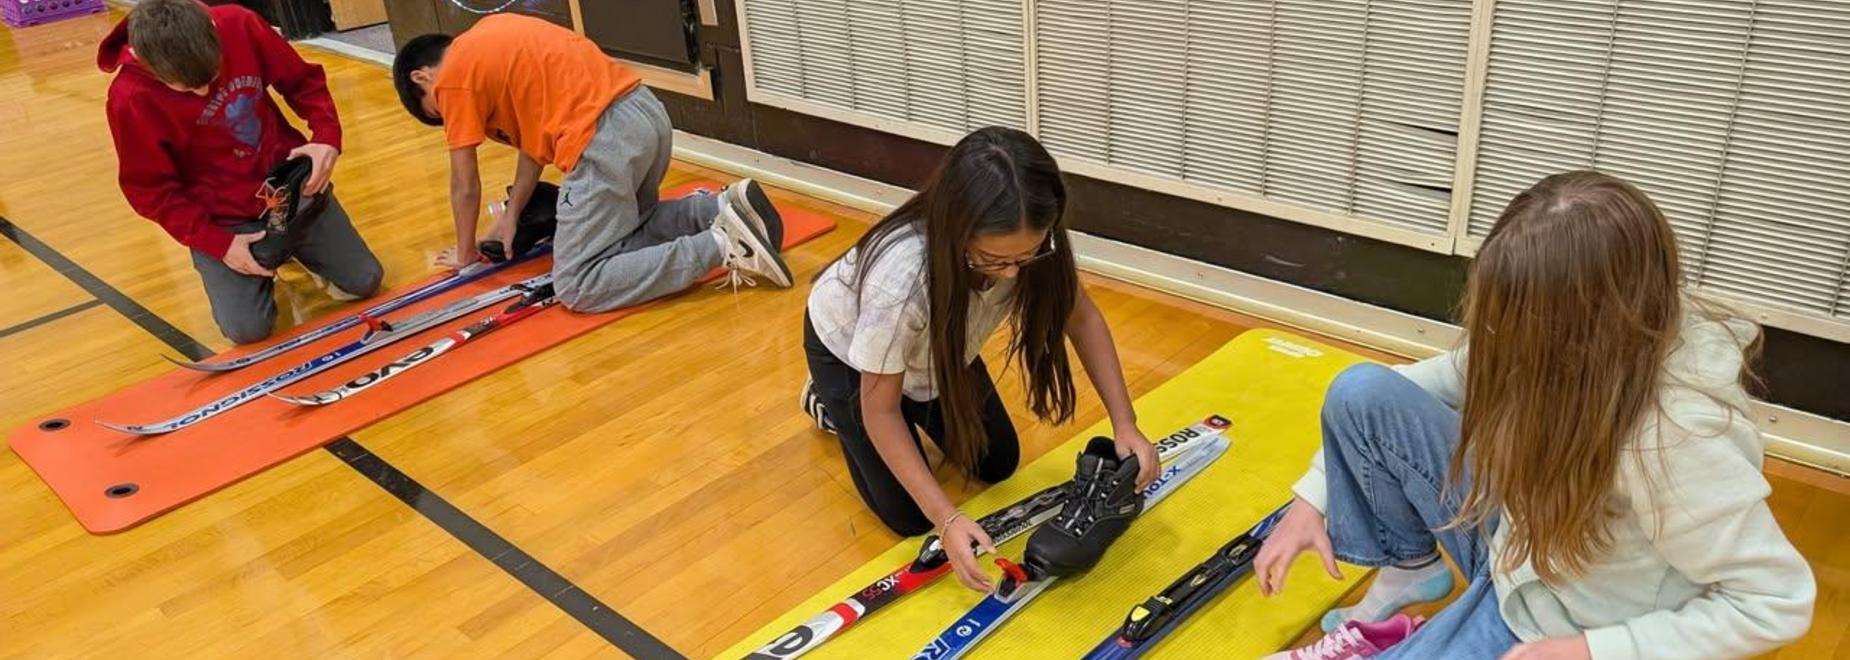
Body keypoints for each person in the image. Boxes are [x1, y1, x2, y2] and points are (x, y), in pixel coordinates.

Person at [1255, 171, 1815, 660]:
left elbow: (1775, 601)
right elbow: (1398, 392)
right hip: (1519, 551)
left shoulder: (1676, 439)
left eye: (1512, 322)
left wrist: (1594, 650)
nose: (1494, 338)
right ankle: (1412, 569)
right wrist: (1312, 497)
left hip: (1564, 624)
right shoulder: (1566, 341)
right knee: (1360, 392)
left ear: (1578, 328)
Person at [801, 127, 1160, 592]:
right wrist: (947, 520)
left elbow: (1084, 320)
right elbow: (881, 408)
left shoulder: (1030, 245)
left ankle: (904, 411)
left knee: (999, 461)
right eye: (994, 259)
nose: (1012, 273)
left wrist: (1125, 424)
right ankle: (828, 402)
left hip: (941, 354)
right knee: (912, 517)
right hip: (852, 360)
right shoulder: (901, 283)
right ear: (957, 230)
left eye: (1026, 256)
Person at [391, 15, 790, 313]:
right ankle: (719, 208)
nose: (448, 116)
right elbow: (532, 147)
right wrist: (511, 214)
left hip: (604, 141)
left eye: (437, 114)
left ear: (422, 78)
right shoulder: (492, 40)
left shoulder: (451, 80)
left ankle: (724, 245)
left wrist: (464, 255)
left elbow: (465, 185)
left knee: (578, 284)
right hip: (645, 116)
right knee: (627, 231)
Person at [102, 0, 382, 344]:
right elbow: (151, 191)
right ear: (150, 66)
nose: (203, 92)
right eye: (187, 88)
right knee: (248, 331)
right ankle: (268, 257)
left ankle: (291, 248)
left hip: (285, 188)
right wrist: (218, 244)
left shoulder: (241, 24)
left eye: (211, 77)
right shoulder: (128, 98)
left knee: (366, 280)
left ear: (216, 35)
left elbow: (303, 82)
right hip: (224, 219)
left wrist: (327, 137)